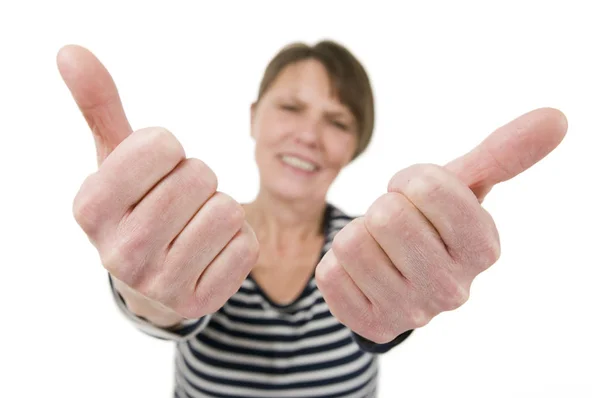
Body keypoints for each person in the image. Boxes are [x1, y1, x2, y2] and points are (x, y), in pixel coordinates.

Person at [57, 39, 567, 398]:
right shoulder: (195, 231)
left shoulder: (375, 244)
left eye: (337, 121)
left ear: (355, 144)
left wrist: (403, 303)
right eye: (290, 107)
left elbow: (381, 322)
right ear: (254, 116)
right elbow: (161, 311)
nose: (308, 134)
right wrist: (145, 293)